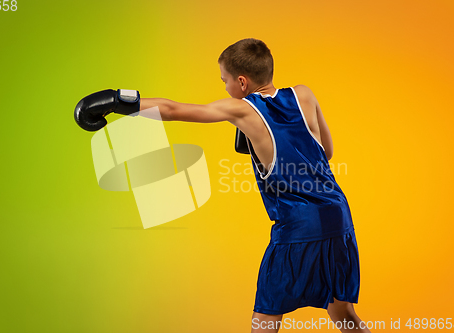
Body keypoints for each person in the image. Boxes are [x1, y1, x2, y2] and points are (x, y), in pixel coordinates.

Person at [74, 38, 371, 333]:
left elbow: (174, 110)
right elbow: (326, 152)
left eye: (224, 81)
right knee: (343, 312)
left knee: (264, 323)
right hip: (338, 216)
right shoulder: (304, 94)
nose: (225, 88)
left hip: (298, 225)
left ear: (242, 82)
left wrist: (117, 101)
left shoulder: (241, 110)